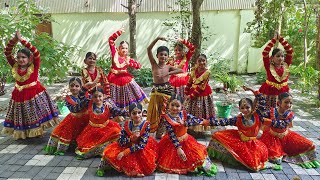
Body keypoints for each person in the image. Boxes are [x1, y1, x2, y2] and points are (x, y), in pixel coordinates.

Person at [206, 86, 281, 171]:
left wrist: (252, 90)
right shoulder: (238, 119)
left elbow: (262, 101)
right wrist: (207, 122)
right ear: (239, 109)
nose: (245, 110)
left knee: (254, 166)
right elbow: (223, 122)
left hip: (253, 144)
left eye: (247, 107)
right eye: (242, 108)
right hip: (240, 141)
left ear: (252, 107)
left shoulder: (258, 116)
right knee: (217, 135)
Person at [2, 30, 60, 140]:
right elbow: (7, 52)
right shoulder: (15, 66)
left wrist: (22, 40)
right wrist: (14, 40)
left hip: (33, 94)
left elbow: (36, 52)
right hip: (19, 94)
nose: (20, 59)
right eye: (18, 57)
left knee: (34, 114)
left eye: (23, 57)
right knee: (22, 114)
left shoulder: (34, 65)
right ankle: (23, 132)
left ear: (29, 58)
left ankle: (37, 131)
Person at [157, 94, 217, 176]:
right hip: (172, 143)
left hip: (186, 140)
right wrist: (178, 148)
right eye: (172, 105)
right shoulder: (166, 118)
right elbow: (171, 134)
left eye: (177, 106)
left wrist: (185, 123)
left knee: (198, 157)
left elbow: (197, 120)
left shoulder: (184, 114)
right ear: (168, 104)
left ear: (182, 106)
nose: (174, 108)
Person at [259, 92, 320, 169]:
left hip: (286, 137)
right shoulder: (271, 111)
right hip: (272, 137)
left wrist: (268, 121)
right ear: (279, 103)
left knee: (309, 144)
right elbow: (261, 115)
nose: (289, 105)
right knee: (276, 159)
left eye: (290, 103)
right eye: (286, 102)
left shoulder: (290, 115)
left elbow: (282, 124)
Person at [97, 103, 158, 177]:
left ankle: (132, 169)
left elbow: (142, 145)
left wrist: (124, 153)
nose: (137, 115)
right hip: (126, 145)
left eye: (139, 112)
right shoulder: (126, 124)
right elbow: (120, 141)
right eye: (134, 113)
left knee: (138, 166)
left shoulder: (146, 124)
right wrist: (130, 138)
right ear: (130, 114)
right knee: (108, 153)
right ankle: (102, 168)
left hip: (140, 150)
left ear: (142, 113)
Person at [44, 77, 93, 155]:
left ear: (81, 87)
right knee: (68, 133)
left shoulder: (87, 95)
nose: (74, 88)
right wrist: (86, 100)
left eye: (77, 86)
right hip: (73, 121)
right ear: (69, 87)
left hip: (86, 119)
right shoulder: (68, 99)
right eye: (72, 86)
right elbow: (75, 109)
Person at [75, 87, 127, 159]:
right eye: (95, 96)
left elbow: (118, 111)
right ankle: (100, 150)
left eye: (100, 96)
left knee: (117, 131)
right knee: (86, 148)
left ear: (104, 96)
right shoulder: (88, 103)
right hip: (92, 130)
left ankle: (103, 150)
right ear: (92, 97)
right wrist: (86, 86)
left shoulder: (107, 105)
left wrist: (130, 112)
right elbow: (80, 96)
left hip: (106, 128)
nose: (98, 99)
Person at [146, 37, 183, 138]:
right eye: (161, 54)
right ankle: (152, 130)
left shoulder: (168, 67)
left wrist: (170, 72)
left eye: (165, 55)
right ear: (157, 56)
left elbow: (181, 71)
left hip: (166, 91)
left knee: (165, 112)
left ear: (168, 57)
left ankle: (162, 132)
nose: (163, 56)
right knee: (155, 112)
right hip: (156, 92)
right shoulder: (154, 64)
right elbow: (148, 49)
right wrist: (157, 39)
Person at [107, 29, 148, 108]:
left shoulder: (128, 59)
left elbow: (139, 65)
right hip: (114, 80)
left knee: (128, 95)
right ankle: (116, 112)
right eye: (122, 48)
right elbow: (111, 40)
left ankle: (130, 110)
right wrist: (119, 32)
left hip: (125, 79)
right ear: (119, 48)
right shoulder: (115, 54)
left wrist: (130, 64)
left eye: (126, 48)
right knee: (115, 97)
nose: (124, 50)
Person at [259, 30, 294, 108]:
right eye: (278, 56)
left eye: (282, 56)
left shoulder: (286, 64)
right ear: (272, 58)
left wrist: (281, 39)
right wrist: (274, 40)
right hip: (270, 92)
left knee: (283, 112)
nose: (280, 58)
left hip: (283, 92)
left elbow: (290, 51)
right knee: (269, 112)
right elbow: (265, 53)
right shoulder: (268, 65)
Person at [184, 54, 215, 133]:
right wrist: (186, 92)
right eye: (199, 61)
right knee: (190, 110)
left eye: (203, 60)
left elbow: (201, 87)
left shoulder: (207, 73)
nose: (201, 63)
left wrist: (191, 96)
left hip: (203, 94)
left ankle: (199, 129)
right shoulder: (194, 70)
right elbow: (190, 81)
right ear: (196, 62)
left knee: (200, 110)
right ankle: (191, 127)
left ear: (206, 62)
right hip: (193, 92)